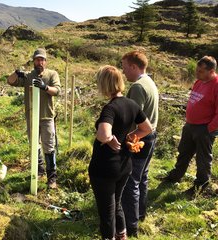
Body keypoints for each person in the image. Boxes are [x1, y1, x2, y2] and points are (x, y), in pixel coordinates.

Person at [88, 65, 152, 240]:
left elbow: (103, 134)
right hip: (124, 165)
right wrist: (131, 135)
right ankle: (122, 236)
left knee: (106, 211)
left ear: (104, 85)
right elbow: (147, 128)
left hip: (105, 168)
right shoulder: (131, 104)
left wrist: (108, 139)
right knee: (117, 204)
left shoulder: (110, 108)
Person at [162, 56, 218, 196]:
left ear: (211, 71)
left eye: (200, 71)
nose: (196, 73)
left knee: (203, 159)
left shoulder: (216, 85)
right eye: (197, 70)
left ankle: (200, 186)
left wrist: (209, 129)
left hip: (204, 128)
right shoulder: (200, 81)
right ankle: (175, 176)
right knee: (184, 152)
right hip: (190, 125)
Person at [7, 48, 61, 189]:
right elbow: (10, 81)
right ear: (33, 61)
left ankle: (51, 178)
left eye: (42, 59)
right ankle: (38, 171)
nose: (40, 62)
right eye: (37, 59)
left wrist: (45, 87)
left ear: (45, 61)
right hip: (32, 117)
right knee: (34, 146)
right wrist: (16, 73)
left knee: (48, 147)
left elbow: (57, 91)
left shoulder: (52, 74)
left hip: (47, 117)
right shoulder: (28, 76)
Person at [120, 50, 159, 237]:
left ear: (134, 67)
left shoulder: (137, 87)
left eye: (125, 67)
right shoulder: (150, 82)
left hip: (139, 138)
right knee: (142, 177)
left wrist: (124, 137)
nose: (123, 71)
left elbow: (131, 117)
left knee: (131, 181)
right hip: (151, 137)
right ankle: (140, 214)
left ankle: (131, 224)